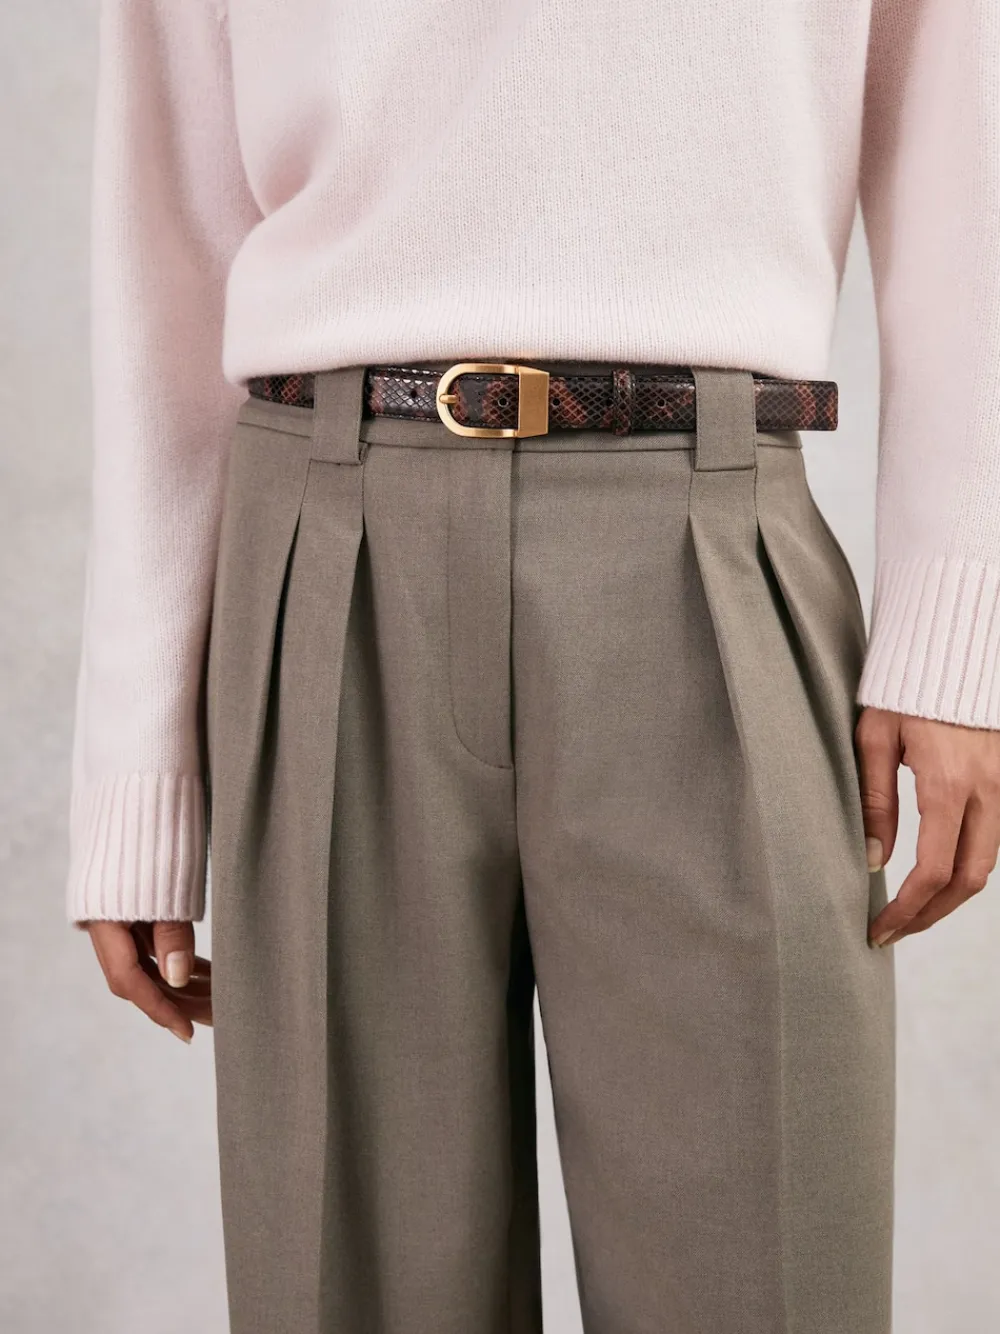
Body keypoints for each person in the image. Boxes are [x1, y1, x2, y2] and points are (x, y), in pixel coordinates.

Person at [67, 1, 1000, 1330]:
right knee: (351, 1288)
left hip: (710, 534)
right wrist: (137, 762)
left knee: (763, 1276)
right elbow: (170, 228)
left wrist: (962, 610)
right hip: (326, 533)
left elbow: (966, 129)